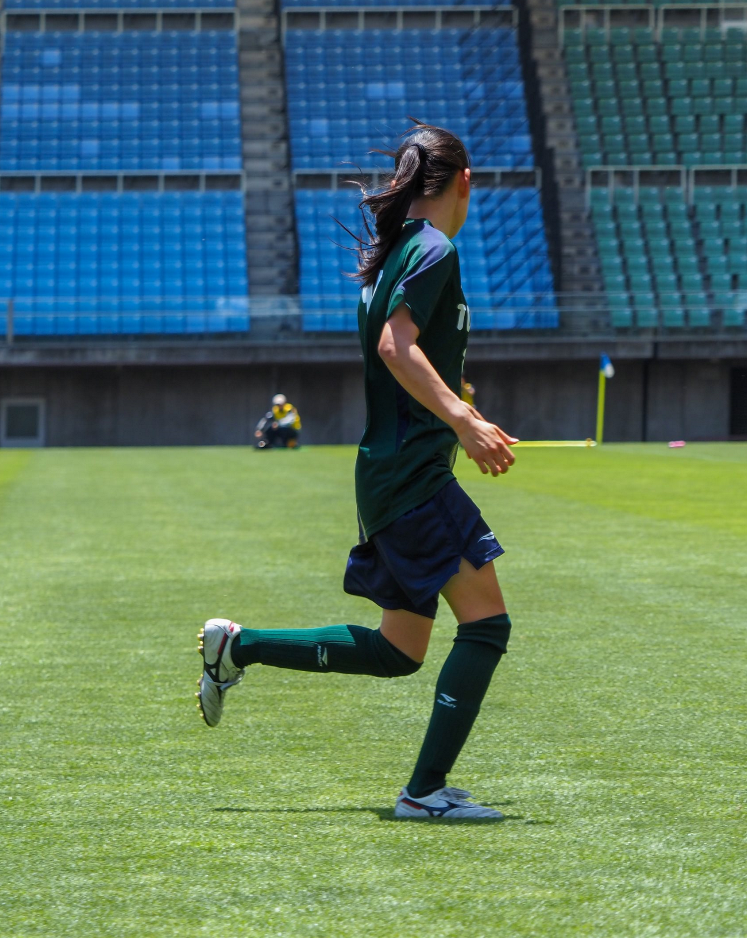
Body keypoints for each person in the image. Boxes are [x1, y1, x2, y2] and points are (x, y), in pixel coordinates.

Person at [198, 124, 520, 820]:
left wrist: (461, 416)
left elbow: (406, 359)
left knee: (400, 650)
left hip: (392, 473)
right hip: (411, 479)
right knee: (487, 623)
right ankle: (424, 794)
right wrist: (463, 422)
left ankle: (238, 647)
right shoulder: (433, 248)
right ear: (466, 181)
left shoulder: (402, 251)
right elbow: (394, 347)